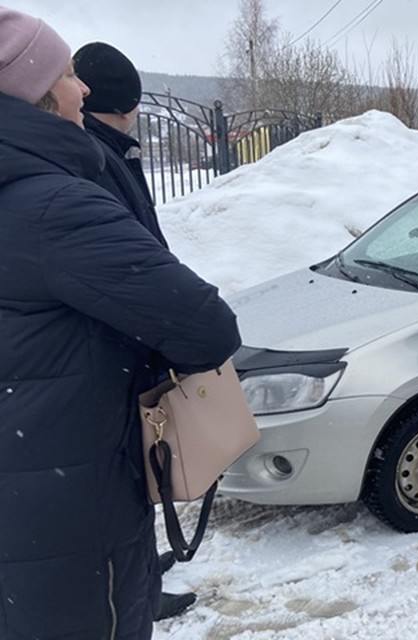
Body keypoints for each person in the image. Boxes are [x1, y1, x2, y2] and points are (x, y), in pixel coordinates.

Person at [0, 8, 241, 639]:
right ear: (39, 94)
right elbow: (206, 328)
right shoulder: (57, 205)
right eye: (68, 74)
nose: (83, 89)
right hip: (70, 515)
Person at [72, 41, 195, 621]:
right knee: (129, 475)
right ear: (127, 102)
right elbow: (129, 264)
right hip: (116, 350)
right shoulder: (97, 162)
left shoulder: (111, 153)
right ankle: (141, 592)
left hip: (123, 347)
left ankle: (145, 565)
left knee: (139, 472)